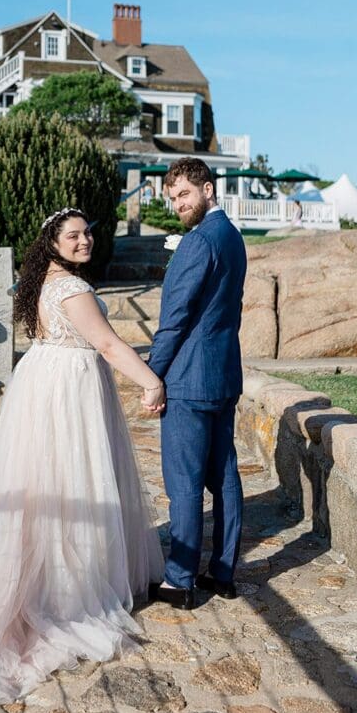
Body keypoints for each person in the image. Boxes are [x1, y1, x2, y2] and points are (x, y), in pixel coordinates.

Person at [0, 208, 165, 708]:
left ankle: (50, 575)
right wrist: (150, 380)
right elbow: (107, 343)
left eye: (87, 233)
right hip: (68, 389)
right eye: (73, 235)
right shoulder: (74, 290)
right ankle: (67, 588)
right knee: (74, 482)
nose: (85, 240)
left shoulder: (41, 280)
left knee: (49, 484)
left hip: (45, 381)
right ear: (53, 241)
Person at [143, 157, 247, 610]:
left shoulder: (198, 241)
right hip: (223, 373)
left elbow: (174, 321)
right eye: (172, 199)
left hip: (188, 378)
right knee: (223, 476)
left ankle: (179, 580)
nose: (178, 205)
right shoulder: (233, 237)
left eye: (184, 194)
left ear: (207, 188)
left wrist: (152, 375)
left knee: (183, 482)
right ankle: (223, 572)